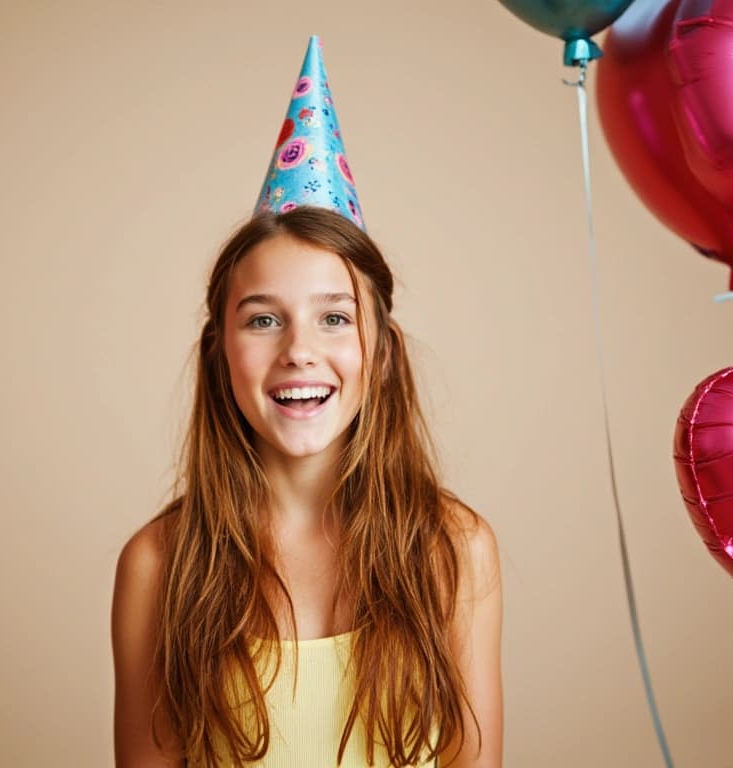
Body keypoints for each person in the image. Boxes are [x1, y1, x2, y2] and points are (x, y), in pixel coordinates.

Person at [112, 37, 502, 767]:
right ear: (219, 351)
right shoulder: (158, 566)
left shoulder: (454, 551)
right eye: (263, 319)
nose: (299, 349)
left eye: (334, 317)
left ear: (380, 353)